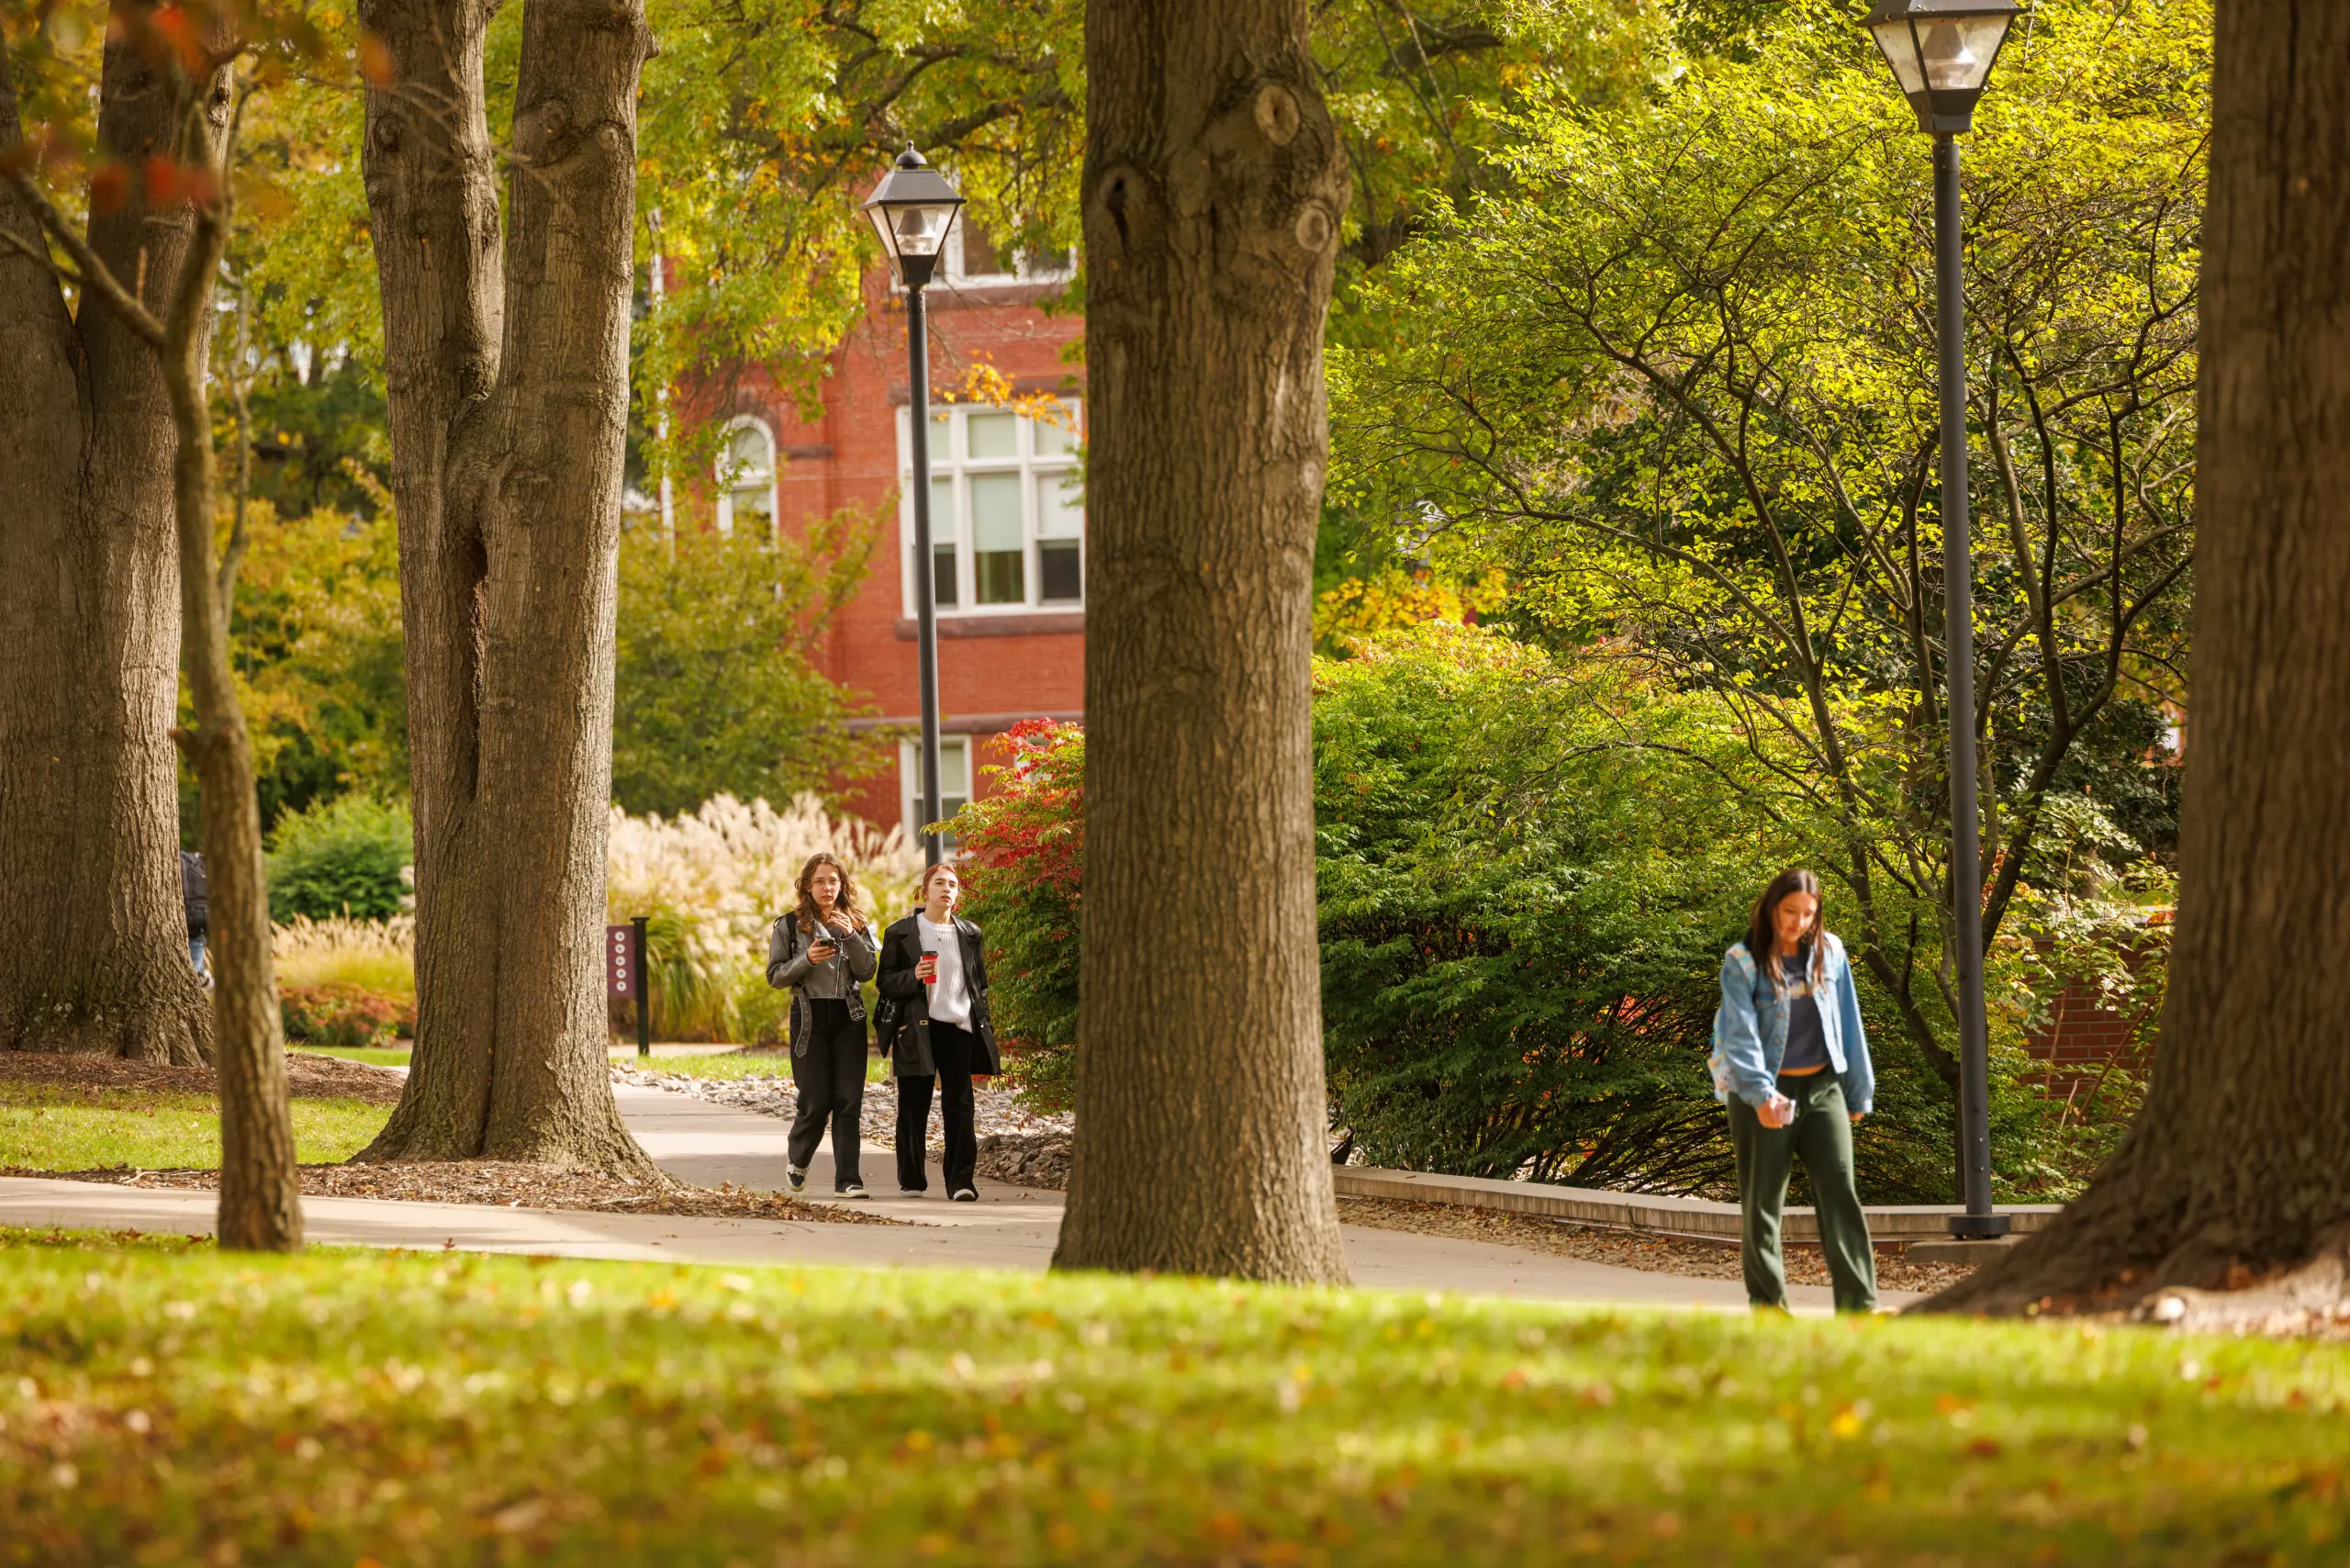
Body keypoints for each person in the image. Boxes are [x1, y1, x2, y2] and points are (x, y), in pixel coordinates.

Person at [1708, 868, 1878, 1313]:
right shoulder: (1742, 962)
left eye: (1808, 914)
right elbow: (1740, 1037)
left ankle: (1859, 1308)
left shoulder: (1830, 952)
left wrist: (1858, 1092)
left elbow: (1849, 1022)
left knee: (1840, 1190)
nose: (1798, 922)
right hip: (1760, 1091)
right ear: (1771, 908)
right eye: (1789, 911)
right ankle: (1769, 1310)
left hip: (1823, 1087)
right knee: (1763, 1200)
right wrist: (1763, 1096)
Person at [876, 862, 1000, 1201]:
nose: (948, 889)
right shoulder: (901, 932)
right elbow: (884, 981)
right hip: (917, 1027)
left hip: (958, 1027)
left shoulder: (970, 933)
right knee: (913, 1106)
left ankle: (961, 1182)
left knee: (960, 1107)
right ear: (925, 890)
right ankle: (912, 1179)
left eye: (954, 885)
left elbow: (979, 985)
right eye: (940, 883)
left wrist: (979, 1023)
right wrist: (912, 975)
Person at [766, 852, 879, 1198]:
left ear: (842, 885)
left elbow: (867, 972)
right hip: (808, 1018)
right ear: (807, 886)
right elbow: (775, 976)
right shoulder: (788, 925)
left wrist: (851, 937)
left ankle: (849, 1179)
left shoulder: (857, 923)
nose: (827, 887)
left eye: (833, 880)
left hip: (849, 1018)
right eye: (820, 881)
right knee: (815, 1100)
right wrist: (806, 959)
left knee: (849, 1101)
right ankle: (798, 1158)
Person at [179, 849, 208, 982]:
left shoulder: (181, 859)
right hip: (197, 930)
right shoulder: (205, 866)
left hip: (177, 925)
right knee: (190, 980)